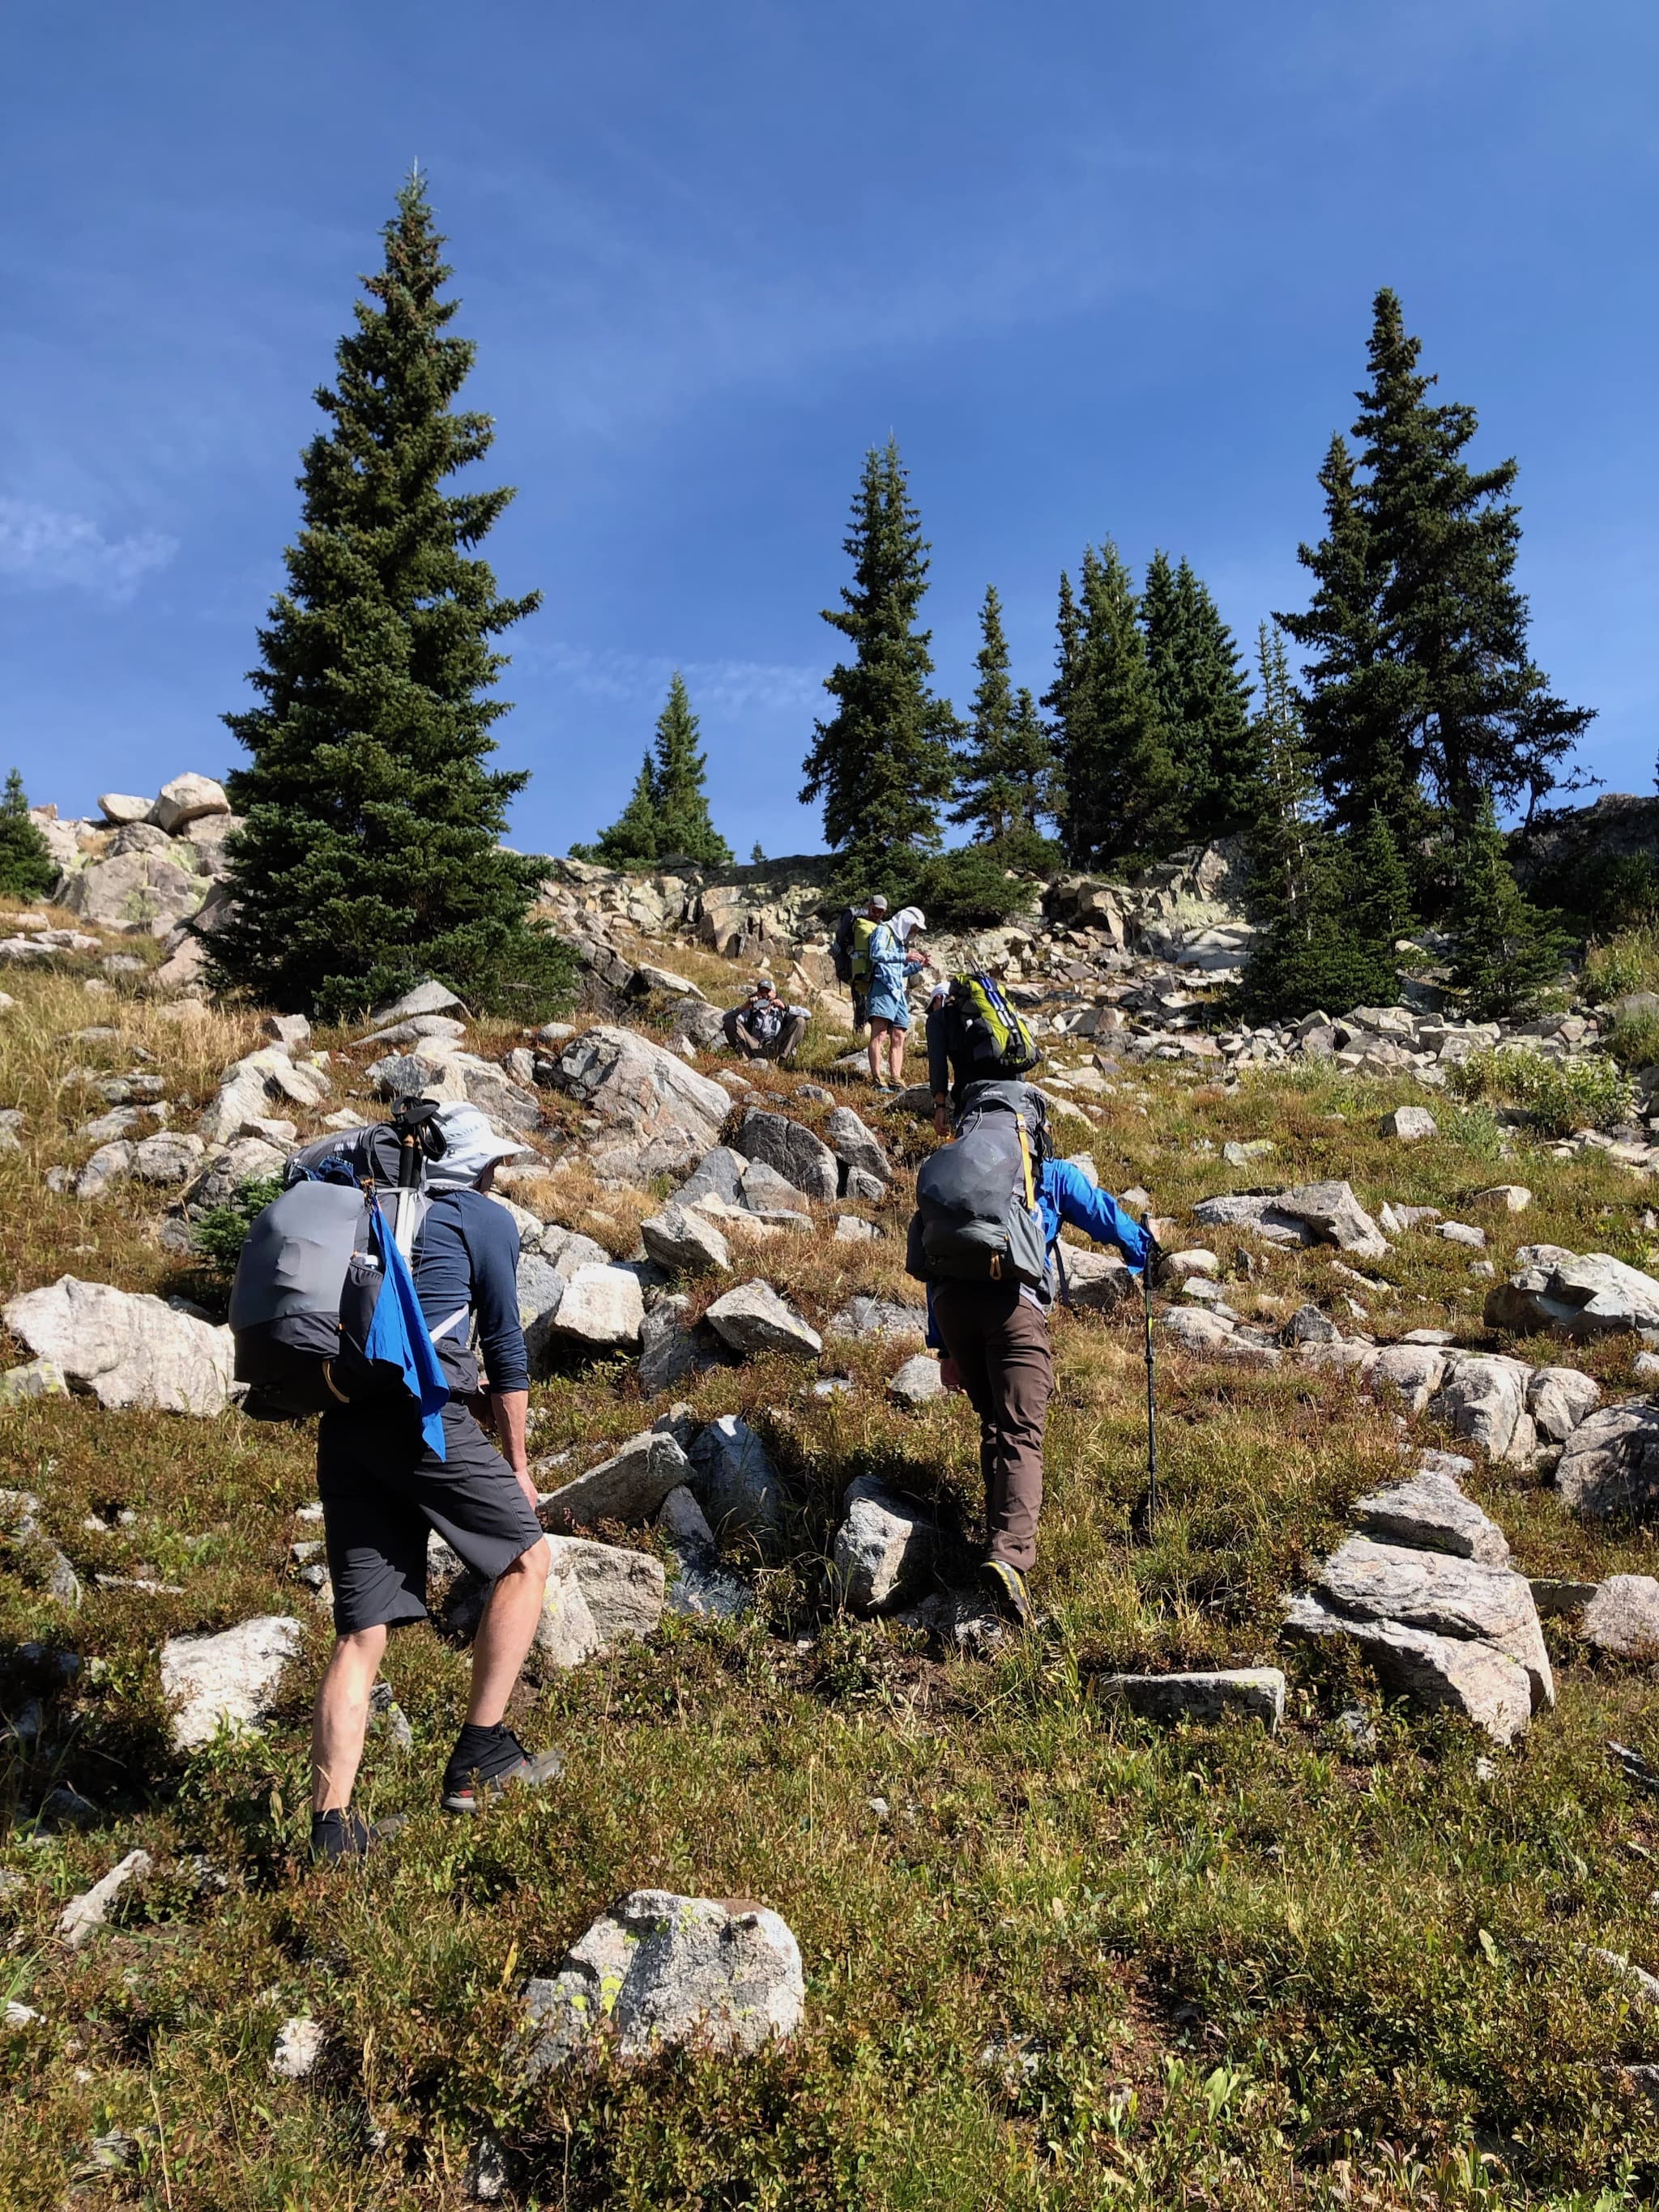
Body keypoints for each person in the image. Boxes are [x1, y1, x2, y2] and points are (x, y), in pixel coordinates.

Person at [308, 1102, 558, 1860]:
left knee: (360, 1635)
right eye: (496, 1165)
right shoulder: (481, 1218)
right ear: (478, 1168)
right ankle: (480, 1755)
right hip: (422, 1420)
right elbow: (507, 1349)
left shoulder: (368, 1213)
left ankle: (331, 1833)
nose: (500, 1175)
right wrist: (516, 1464)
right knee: (526, 1559)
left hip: (347, 1423)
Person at [920, 1080, 1154, 1628]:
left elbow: (927, 1258)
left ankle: (993, 1535)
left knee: (994, 1421)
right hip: (1014, 1306)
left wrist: (942, 1346)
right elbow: (1104, 1216)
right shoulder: (1047, 1172)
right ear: (1033, 1125)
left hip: (955, 1308)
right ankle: (1010, 1557)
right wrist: (1147, 1247)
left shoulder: (949, 1174)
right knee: (1022, 1431)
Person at [865, 904, 928, 1093]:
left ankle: (895, 1078)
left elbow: (900, 971)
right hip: (882, 987)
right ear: (906, 922)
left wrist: (920, 965)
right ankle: (877, 1078)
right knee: (880, 1033)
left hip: (898, 991)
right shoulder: (883, 931)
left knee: (899, 1035)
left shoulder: (900, 942)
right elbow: (876, 954)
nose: (914, 933)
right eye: (914, 928)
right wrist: (904, 956)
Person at [831, 893, 887, 1034]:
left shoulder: (881, 926)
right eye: (875, 910)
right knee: (860, 999)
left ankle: (866, 1032)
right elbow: (841, 940)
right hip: (853, 966)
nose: (877, 915)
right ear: (869, 907)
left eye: (881, 912)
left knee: (870, 1000)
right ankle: (858, 1033)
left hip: (870, 967)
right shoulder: (855, 918)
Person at [721, 976, 808, 1063]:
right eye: (761, 992)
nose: (764, 995)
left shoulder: (782, 1010)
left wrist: (786, 1007)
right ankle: (744, 1057)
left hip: (776, 1045)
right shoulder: (751, 1010)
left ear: (774, 994)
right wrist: (745, 1006)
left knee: (800, 1021)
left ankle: (781, 1060)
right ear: (757, 993)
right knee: (730, 1023)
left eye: (767, 992)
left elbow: (808, 1014)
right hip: (754, 1044)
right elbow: (726, 1018)